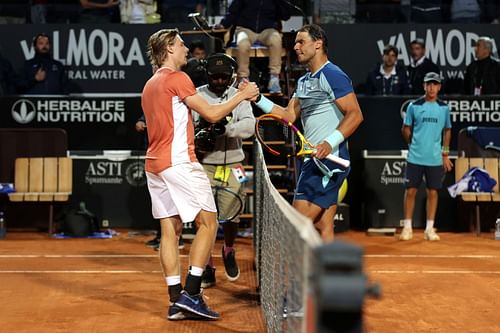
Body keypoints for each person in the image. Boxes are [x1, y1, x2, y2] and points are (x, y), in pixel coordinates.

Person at [141, 28, 258, 320]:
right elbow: (213, 114)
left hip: (154, 165)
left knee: (170, 230)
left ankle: (174, 299)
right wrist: (243, 95)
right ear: (168, 48)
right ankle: (192, 294)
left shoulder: (149, 84)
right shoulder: (178, 78)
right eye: (180, 45)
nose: (185, 50)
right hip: (180, 162)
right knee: (208, 222)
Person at [250, 24, 363, 242]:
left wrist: (329, 143)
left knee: (296, 225)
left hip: (328, 162)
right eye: (295, 42)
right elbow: (288, 115)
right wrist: (257, 98)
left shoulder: (332, 75)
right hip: (313, 160)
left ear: (318, 44)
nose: (296, 47)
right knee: (323, 226)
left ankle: (295, 275)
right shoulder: (304, 81)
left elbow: (355, 114)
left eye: (301, 42)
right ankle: (328, 274)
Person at [191, 53, 255, 287]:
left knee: (232, 214)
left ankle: (228, 249)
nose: (219, 81)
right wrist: (202, 133)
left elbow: (250, 125)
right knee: (204, 219)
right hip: (204, 165)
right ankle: (207, 265)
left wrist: (227, 130)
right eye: (214, 77)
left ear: (231, 76)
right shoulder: (196, 95)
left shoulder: (240, 96)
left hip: (234, 165)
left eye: (223, 77)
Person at [400, 72, 453, 242]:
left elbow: (447, 131)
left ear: (439, 87)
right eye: (428, 84)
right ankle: (407, 228)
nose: (431, 87)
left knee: (433, 192)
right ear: (424, 86)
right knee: (411, 191)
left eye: (435, 84)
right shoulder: (414, 106)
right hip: (415, 157)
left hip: (435, 158)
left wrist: (445, 153)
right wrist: (413, 145)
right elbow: (406, 129)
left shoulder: (444, 108)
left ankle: (429, 229)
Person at [217, 0, 291, 94]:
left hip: (267, 29)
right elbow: (233, 12)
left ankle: (274, 78)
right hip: (246, 29)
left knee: (276, 40)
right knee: (242, 43)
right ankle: (243, 79)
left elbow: (286, 16)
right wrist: (223, 24)